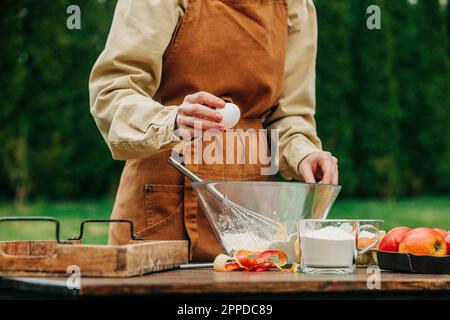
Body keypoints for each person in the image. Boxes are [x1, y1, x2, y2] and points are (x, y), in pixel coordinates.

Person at [89, 0, 339, 261]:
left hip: (254, 220)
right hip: (161, 213)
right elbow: (112, 91)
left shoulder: (294, 6)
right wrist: (172, 120)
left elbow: (289, 116)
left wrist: (304, 154)